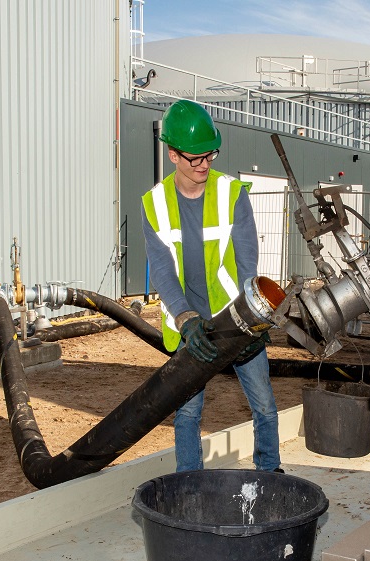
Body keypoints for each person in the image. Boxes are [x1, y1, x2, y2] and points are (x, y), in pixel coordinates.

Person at [141, 99, 281, 474]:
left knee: (264, 405)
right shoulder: (154, 204)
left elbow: (246, 261)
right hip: (192, 326)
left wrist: (251, 318)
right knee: (187, 413)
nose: (205, 163)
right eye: (195, 157)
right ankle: (189, 481)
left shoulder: (232, 194)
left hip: (234, 317)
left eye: (211, 154)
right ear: (172, 154)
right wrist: (186, 319)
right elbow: (163, 271)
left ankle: (270, 473)